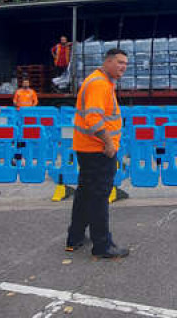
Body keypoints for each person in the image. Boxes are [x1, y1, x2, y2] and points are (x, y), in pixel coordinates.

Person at [66, 48, 129, 259]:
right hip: (98, 150)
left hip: (88, 148)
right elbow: (94, 118)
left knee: (85, 193)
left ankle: (74, 237)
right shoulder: (100, 84)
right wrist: (109, 143)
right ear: (108, 62)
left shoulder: (98, 81)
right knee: (99, 197)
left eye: (125, 64)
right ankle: (102, 245)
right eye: (119, 62)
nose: (123, 67)